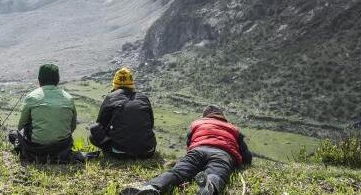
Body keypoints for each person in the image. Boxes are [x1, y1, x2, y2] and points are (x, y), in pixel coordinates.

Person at [120, 105, 253, 195]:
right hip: (223, 153)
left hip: (198, 150)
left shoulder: (196, 123)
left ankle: (152, 187)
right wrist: (242, 162)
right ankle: (209, 187)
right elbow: (246, 156)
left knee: (178, 171)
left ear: (205, 116)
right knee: (217, 172)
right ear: (222, 116)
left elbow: (189, 143)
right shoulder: (233, 128)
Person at [8, 64, 78, 163]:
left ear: (39, 80)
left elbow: (21, 126)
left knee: (13, 134)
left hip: (36, 149)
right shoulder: (69, 98)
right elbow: (73, 126)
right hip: (63, 148)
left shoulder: (31, 97)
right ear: (57, 80)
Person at [89, 67, 156, 158]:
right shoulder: (143, 98)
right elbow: (151, 124)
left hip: (120, 153)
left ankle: (113, 151)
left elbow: (100, 124)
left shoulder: (110, 97)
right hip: (148, 152)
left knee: (94, 129)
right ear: (132, 83)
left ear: (115, 84)